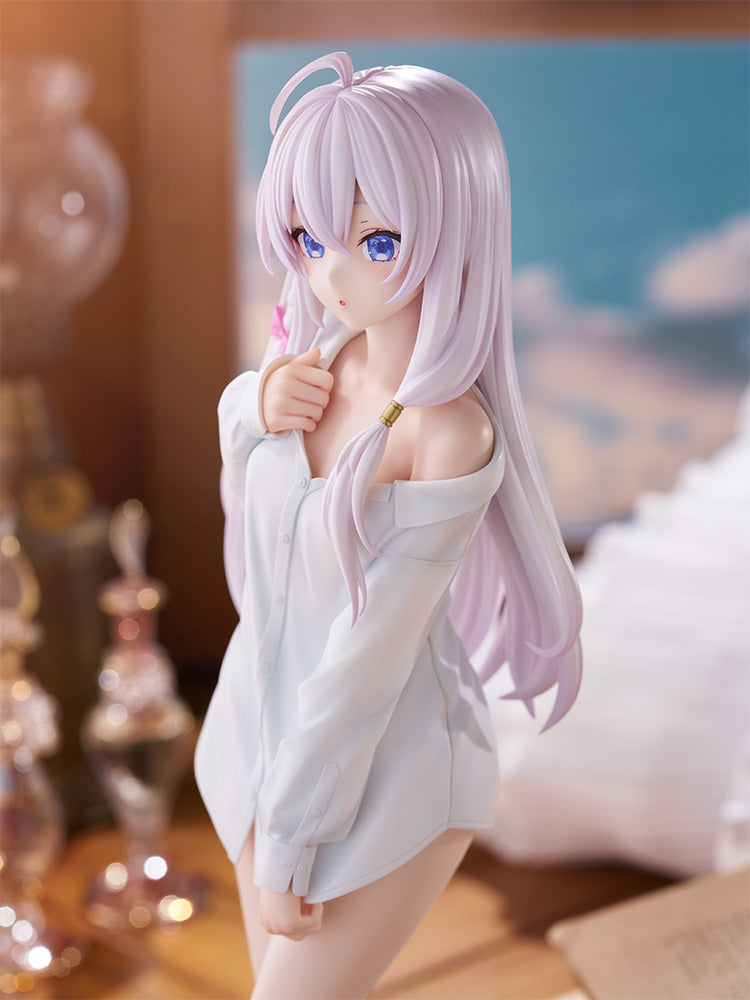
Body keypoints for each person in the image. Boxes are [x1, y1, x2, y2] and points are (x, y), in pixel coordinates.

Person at [195, 51, 583, 999]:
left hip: (385, 776)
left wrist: (295, 834)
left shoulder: (446, 432)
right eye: (307, 235)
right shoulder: (315, 362)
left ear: (455, 229)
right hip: (256, 742)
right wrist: (253, 407)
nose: (330, 272)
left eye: (375, 242)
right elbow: (254, 515)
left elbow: (371, 660)